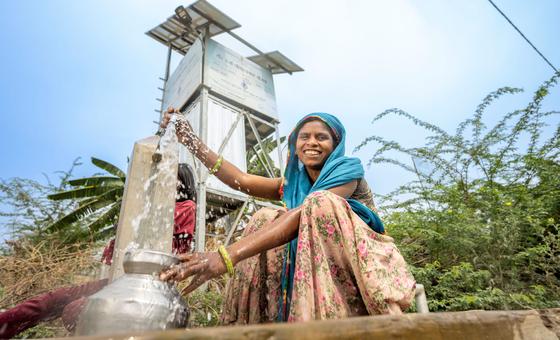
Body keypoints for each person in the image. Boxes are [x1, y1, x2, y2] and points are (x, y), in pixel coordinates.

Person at [160, 110, 416, 324]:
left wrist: (227, 256)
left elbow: (303, 214)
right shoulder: (292, 183)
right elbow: (242, 181)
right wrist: (191, 140)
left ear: (336, 144)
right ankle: (264, 323)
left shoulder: (347, 170)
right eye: (304, 137)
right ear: (294, 145)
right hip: (305, 262)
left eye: (321, 137)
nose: (312, 142)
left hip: (360, 264)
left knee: (317, 203)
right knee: (265, 217)